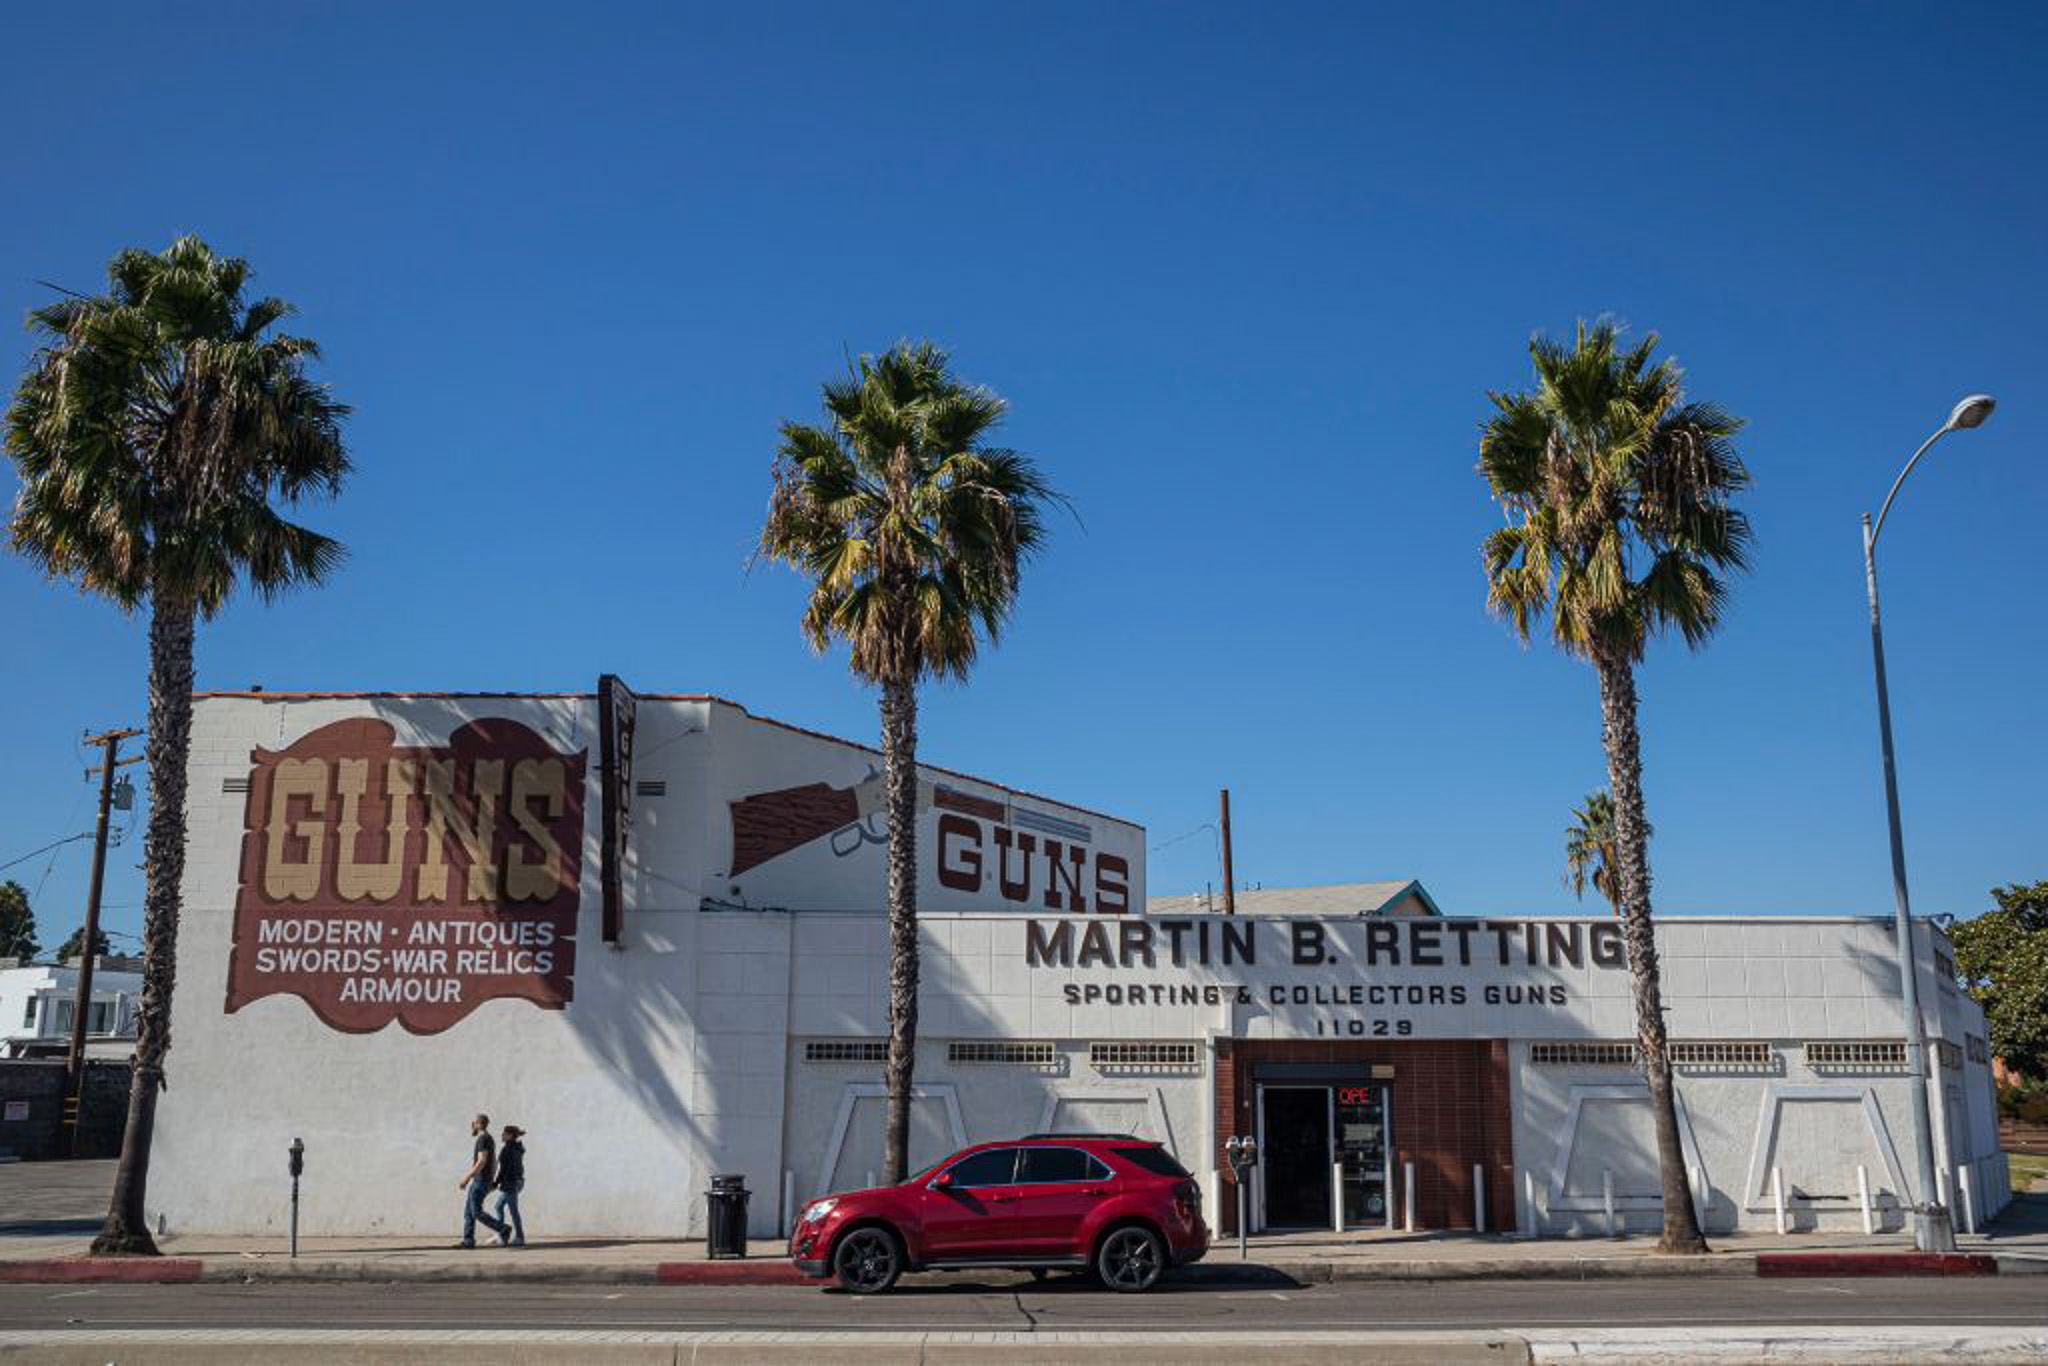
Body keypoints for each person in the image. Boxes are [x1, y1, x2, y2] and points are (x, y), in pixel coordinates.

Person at [456, 1113, 508, 1248]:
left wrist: (466, 1179)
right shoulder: (489, 1139)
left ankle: (503, 1228)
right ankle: (468, 1241)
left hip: (480, 1181)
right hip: (484, 1180)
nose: (472, 1125)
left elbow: (481, 1161)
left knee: (476, 1212)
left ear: (478, 1124)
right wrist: (492, 1180)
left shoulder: (483, 1139)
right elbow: (495, 1163)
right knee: (469, 1212)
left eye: (473, 1123)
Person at [493, 1125, 527, 1248]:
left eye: (504, 1133)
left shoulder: (507, 1149)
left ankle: (518, 1237)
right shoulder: (518, 1147)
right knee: (498, 1207)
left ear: (510, 1135)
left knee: (513, 1211)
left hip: (510, 1183)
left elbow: (504, 1170)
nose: (502, 1135)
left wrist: (495, 1183)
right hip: (519, 1181)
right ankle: (502, 1235)